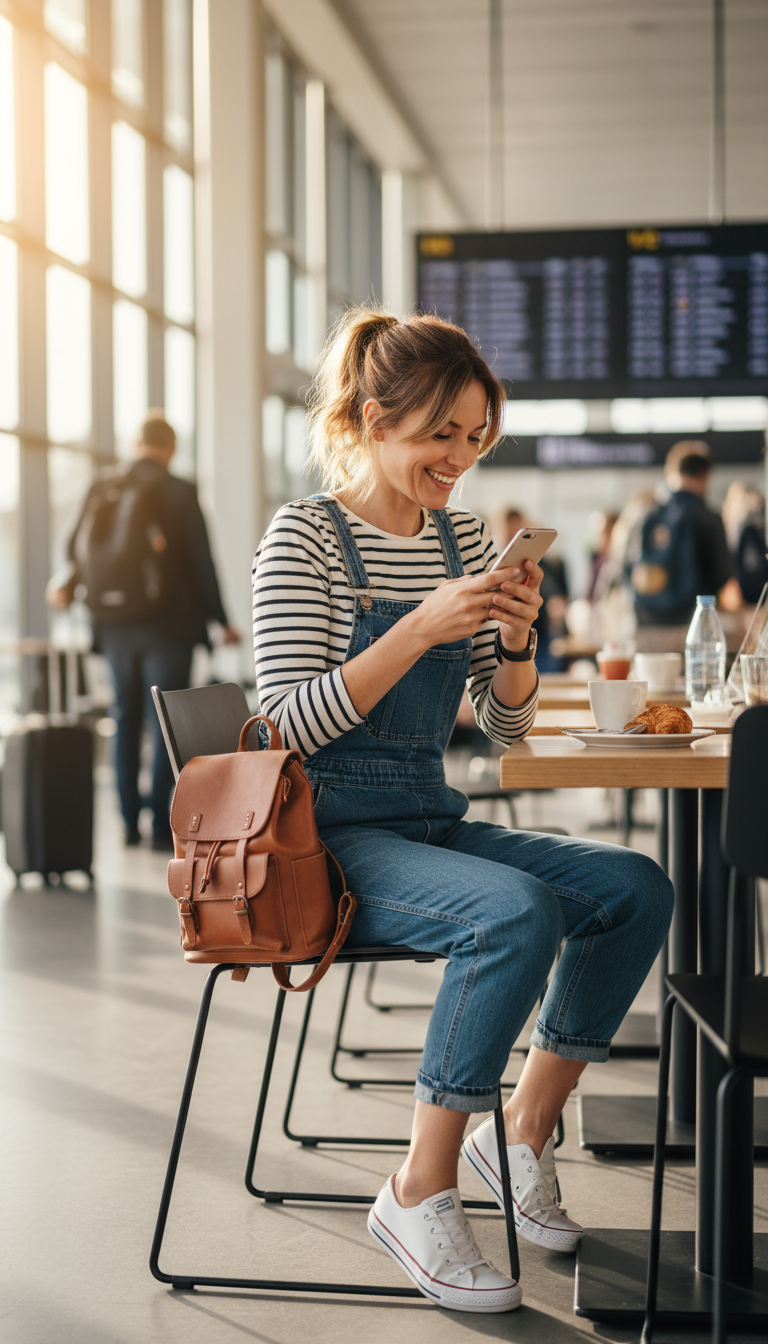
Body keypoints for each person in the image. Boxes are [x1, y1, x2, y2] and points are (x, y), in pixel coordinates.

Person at [252, 309, 673, 1314]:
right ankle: (417, 1187)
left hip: (427, 821)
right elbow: (277, 731)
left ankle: (519, 1131)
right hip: (326, 838)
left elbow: (505, 728)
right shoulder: (304, 536)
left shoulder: (463, 536)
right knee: (514, 911)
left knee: (633, 886)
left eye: (476, 437)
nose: (460, 458)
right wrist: (422, 627)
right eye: (441, 434)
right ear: (369, 420)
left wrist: (518, 642)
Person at [48, 412, 240, 849]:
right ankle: (160, 826)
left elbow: (72, 545)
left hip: (112, 625)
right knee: (165, 723)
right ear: (170, 449)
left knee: (124, 715)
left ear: (137, 445)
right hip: (169, 627)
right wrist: (220, 619)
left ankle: (128, 822)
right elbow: (200, 561)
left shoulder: (104, 486)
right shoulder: (179, 491)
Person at [625, 439, 732, 650]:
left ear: (671, 471)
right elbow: (722, 574)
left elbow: (626, 569)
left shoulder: (645, 515)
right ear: (704, 475)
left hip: (645, 626)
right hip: (692, 630)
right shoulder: (709, 518)